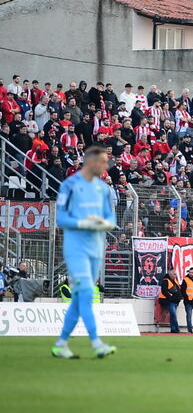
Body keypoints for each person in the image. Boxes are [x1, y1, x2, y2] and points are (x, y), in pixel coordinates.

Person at [50, 145, 117, 359]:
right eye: (103, 162)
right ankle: (97, 343)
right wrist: (84, 223)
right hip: (76, 248)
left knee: (80, 298)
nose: (106, 166)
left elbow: (111, 219)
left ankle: (60, 344)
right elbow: (60, 218)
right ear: (91, 162)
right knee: (88, 293)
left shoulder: (103, 189)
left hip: (96, 248)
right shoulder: (70, 185)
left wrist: (102, 223)